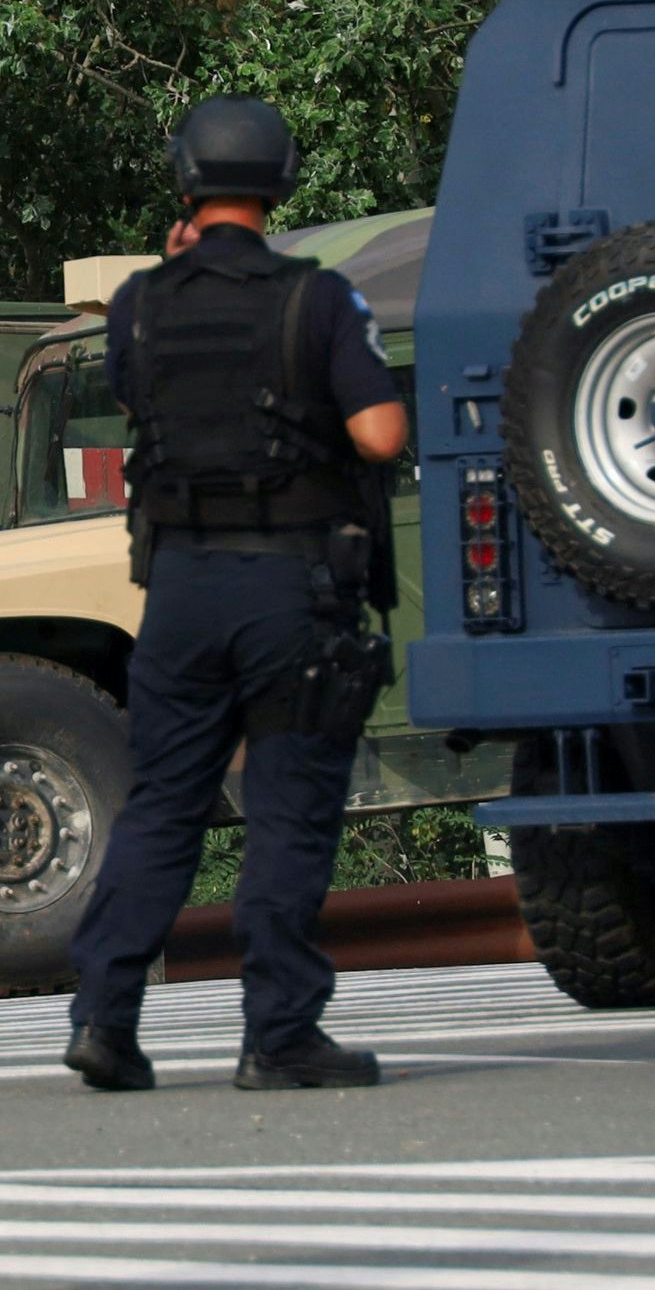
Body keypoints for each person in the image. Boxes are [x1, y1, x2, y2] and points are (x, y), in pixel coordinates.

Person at [62, 96, 409, 1096]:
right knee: (288, 808)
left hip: (177, 587)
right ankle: (278, 1032)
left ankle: (104, 1015)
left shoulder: (138, 301)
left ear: (183, 185)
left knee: (162, 803)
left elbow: (140, 400)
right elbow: (381, 434)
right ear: (280, 182)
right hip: (288, 587)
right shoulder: (319, 298)